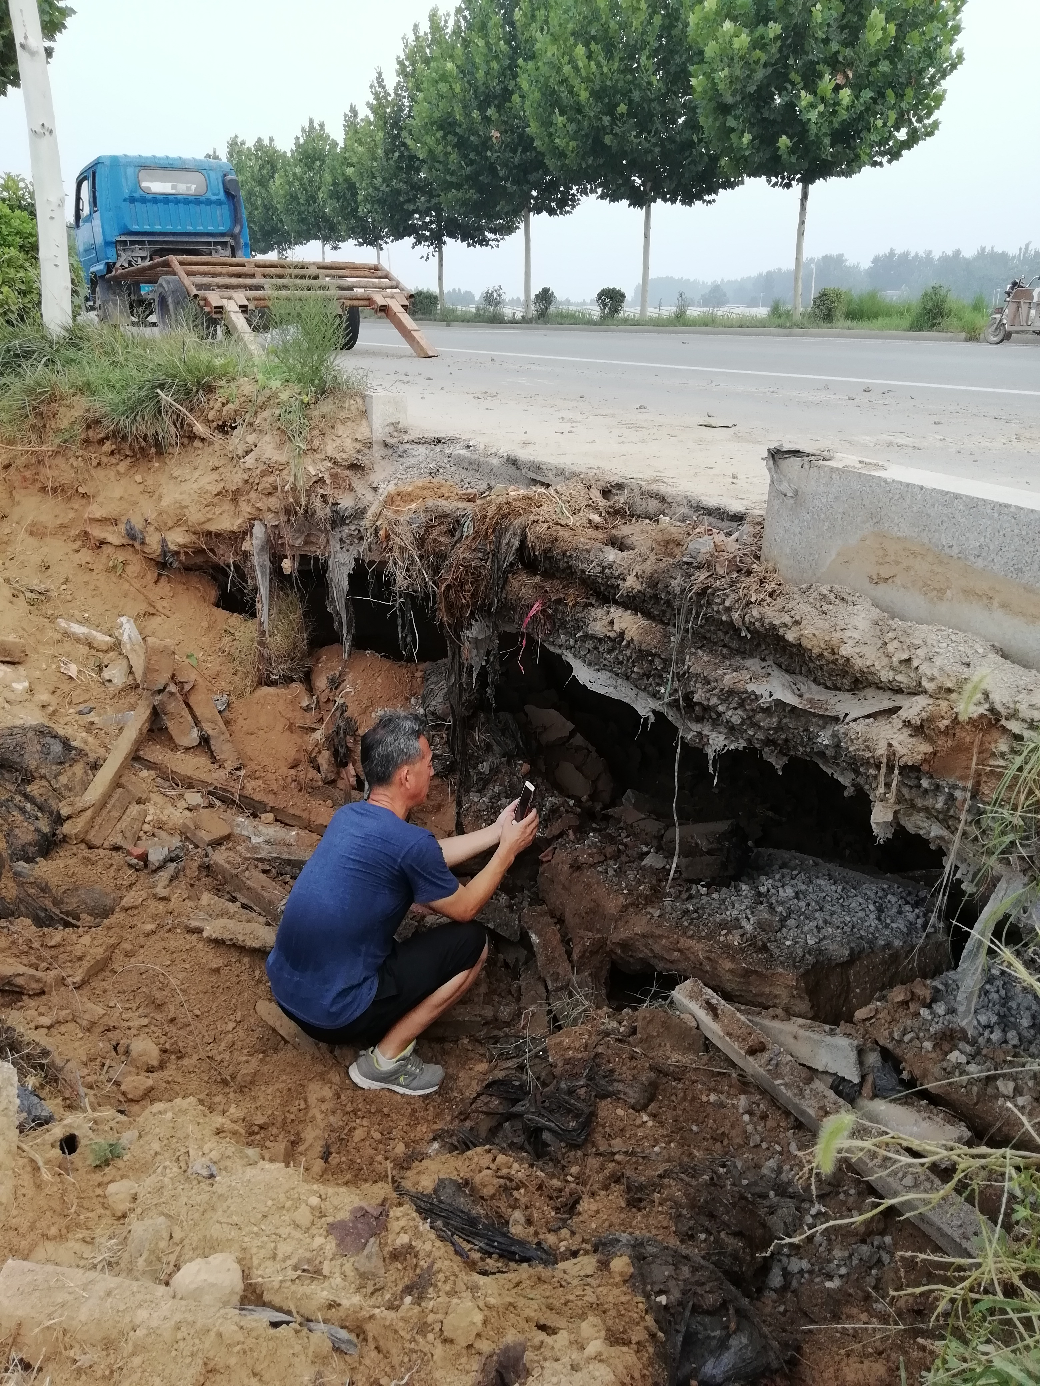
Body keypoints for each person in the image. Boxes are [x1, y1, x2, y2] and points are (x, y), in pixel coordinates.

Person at [265, 710, 539, 1096]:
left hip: (287, 992)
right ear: (406, 776)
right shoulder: (409, 845)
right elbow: (465, 908)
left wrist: (495, 832)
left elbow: (425, 856)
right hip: (334, 1015)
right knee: (473, 943)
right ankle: (385, 1062)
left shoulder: (349, 818)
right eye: (428, 763)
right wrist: (508, 851)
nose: (433, 770)